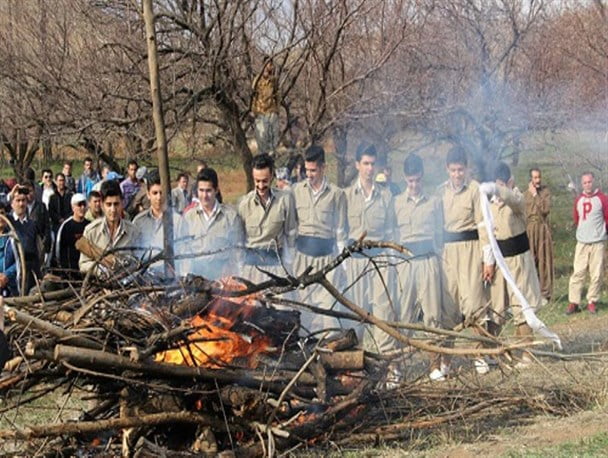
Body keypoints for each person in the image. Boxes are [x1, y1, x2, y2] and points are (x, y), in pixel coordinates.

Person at [394, 153, 460, 381]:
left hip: (429, 262)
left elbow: (440, 234)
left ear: (422, 178)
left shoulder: (433, 202)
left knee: (432, 315)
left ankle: (434, 364)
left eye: (418, 180)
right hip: (406, 264)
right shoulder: (397, 203)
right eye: (410, 181)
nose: (414, 185)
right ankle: (398, 367)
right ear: (405, 179)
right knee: (404, 315)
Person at [480, 162, 543, 366]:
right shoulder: (489, 204)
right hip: (500, 259)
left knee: (521, 304)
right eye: (496, 185)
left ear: (509, 182)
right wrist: (488, 263)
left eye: (501, 185)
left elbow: (513, 200)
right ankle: (492, 351)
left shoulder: (516, 197)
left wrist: (500, 188)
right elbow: (486, 234)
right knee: (496, 307)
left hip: (518, 259)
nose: (498, 190)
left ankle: (526, 352)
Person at [437, 146, 490, 374]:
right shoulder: (441, 192)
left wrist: (488, 260)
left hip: (471, 249)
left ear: (466, 169)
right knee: (449, 306)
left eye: (461, 170)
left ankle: (480, 354)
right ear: (447, 170)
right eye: (453, 170)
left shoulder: (475, 189)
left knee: (474, 303)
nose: (457, 175)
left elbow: (484, 225)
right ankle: (446, 359)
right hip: (449, 251)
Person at [344, 142, 397, 354]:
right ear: (357, 165)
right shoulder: (346, 196)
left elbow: (392, 232)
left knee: (384, 312)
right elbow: (341, 232)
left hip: (381, 261)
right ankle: (356, 361)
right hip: (356, 262)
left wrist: (391, 260)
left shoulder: (386, 196)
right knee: (356, 312)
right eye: (365, 163)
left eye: (372, 164)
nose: (369, 168)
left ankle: (387, 361)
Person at [292, 146, 347, 333]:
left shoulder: (337, 194)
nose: (309, 174)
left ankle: (329, 354)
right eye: (306, 170)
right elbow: (291, 229)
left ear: (323, 168)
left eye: (313, 170)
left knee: (329, 313)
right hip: (303, 260)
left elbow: (340, 232)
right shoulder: (296, 191)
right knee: (304, 313)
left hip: (327, 261)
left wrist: (342, 266)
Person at [237, 153, 296, 284]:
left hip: (277, 269)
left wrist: (290, 266)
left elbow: (290, 235)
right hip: (251, 270)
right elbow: (239, 241)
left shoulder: (285, 200)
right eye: (257, 181)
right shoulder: (244, 204)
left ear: (272, 177)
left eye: (265, 181)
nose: (261, 185)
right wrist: (240, 270)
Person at [184, 168, 244, 279]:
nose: (204, 196)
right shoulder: (189, 217)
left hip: (223, 279)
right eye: (201, 190)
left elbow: (238, 252)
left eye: (208, 191)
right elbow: (184, 253)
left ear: (216, 190)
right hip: (196, 280)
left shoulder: (231, 217)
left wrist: (237, 277)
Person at [566, 172, 608, 315]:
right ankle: (574, 302)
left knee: (596, 273)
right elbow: (577, 219)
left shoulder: (602, 199)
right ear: (582, 184)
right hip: (582, 242)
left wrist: (601, 233)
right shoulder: (579, 200)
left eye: (589, 182)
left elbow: (607, 218)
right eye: (585, 183)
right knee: (578, 272)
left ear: (593, 182)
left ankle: (592, 301)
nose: (587, 185)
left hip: (597, 242)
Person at [79, 180, 140, 277]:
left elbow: (139, 262)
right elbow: (83, 264)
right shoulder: (91, 231)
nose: (113, 209)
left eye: (116, 204)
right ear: (102, 205)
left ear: (122, 203)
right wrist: (99, 270)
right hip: (99, 287)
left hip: (128, 287)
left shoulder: (133, 231)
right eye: (109, 204)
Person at [132, 171, 186, 274]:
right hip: (145, 278)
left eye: (162, 192)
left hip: (171, 278)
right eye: (155, 193)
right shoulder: (139, 222)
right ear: (148, 194)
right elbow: (135, 254)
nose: (159, 197)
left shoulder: (177, 221)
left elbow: (184, 253)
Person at [5, 185, 43, 295]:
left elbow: (36, 250)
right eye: (18, 201)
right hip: (14, 268)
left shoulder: (32, 224)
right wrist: (11, 194)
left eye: (23, 200)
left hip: (30, 269)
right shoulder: (8, 222)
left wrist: (38, 274)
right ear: (12, 204)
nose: (21, 204)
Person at [523, 168, 554, 304]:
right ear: (530, 179)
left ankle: (545, 293)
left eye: (539, 177)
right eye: (535, 178)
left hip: (542, 228)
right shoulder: (525, 194)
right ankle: (531, 293)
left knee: (544, 260)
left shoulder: (545, 193)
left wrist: (536, 195)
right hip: (530, 228)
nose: (537, 180)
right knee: (530, 261)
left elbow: (545, 210)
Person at [54, 193, 90, 279]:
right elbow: (58, 250)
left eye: (84, 204)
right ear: (73, 207)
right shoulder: (65, 226)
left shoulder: (89, 225)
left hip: (86, 271)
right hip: (70, 272)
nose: (82, 208)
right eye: (79, 205)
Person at [251, 57, 280, 155]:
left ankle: (272, 160)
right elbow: (253, 92)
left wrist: (277, 110)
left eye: (272, 64)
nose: (271, 66)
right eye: (269, 64)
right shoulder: (258, 80)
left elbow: (277, 94)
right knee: (262, 140)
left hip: (271, 111)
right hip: (260, 112)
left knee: (273, 141)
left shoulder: (274, 80)